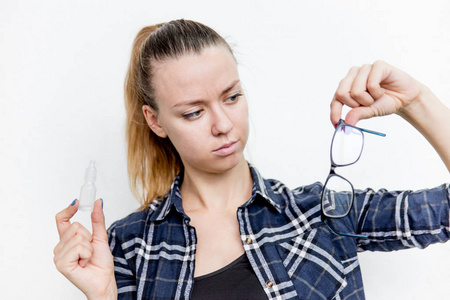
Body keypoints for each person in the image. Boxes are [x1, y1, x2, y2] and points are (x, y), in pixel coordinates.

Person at [53, 19, 450, 300]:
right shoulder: (128, 245)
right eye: (194, 112)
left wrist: (418, 102)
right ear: (155, 121)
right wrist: (103, 297)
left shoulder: (326, 214)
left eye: (232, 96)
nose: (224, 124)